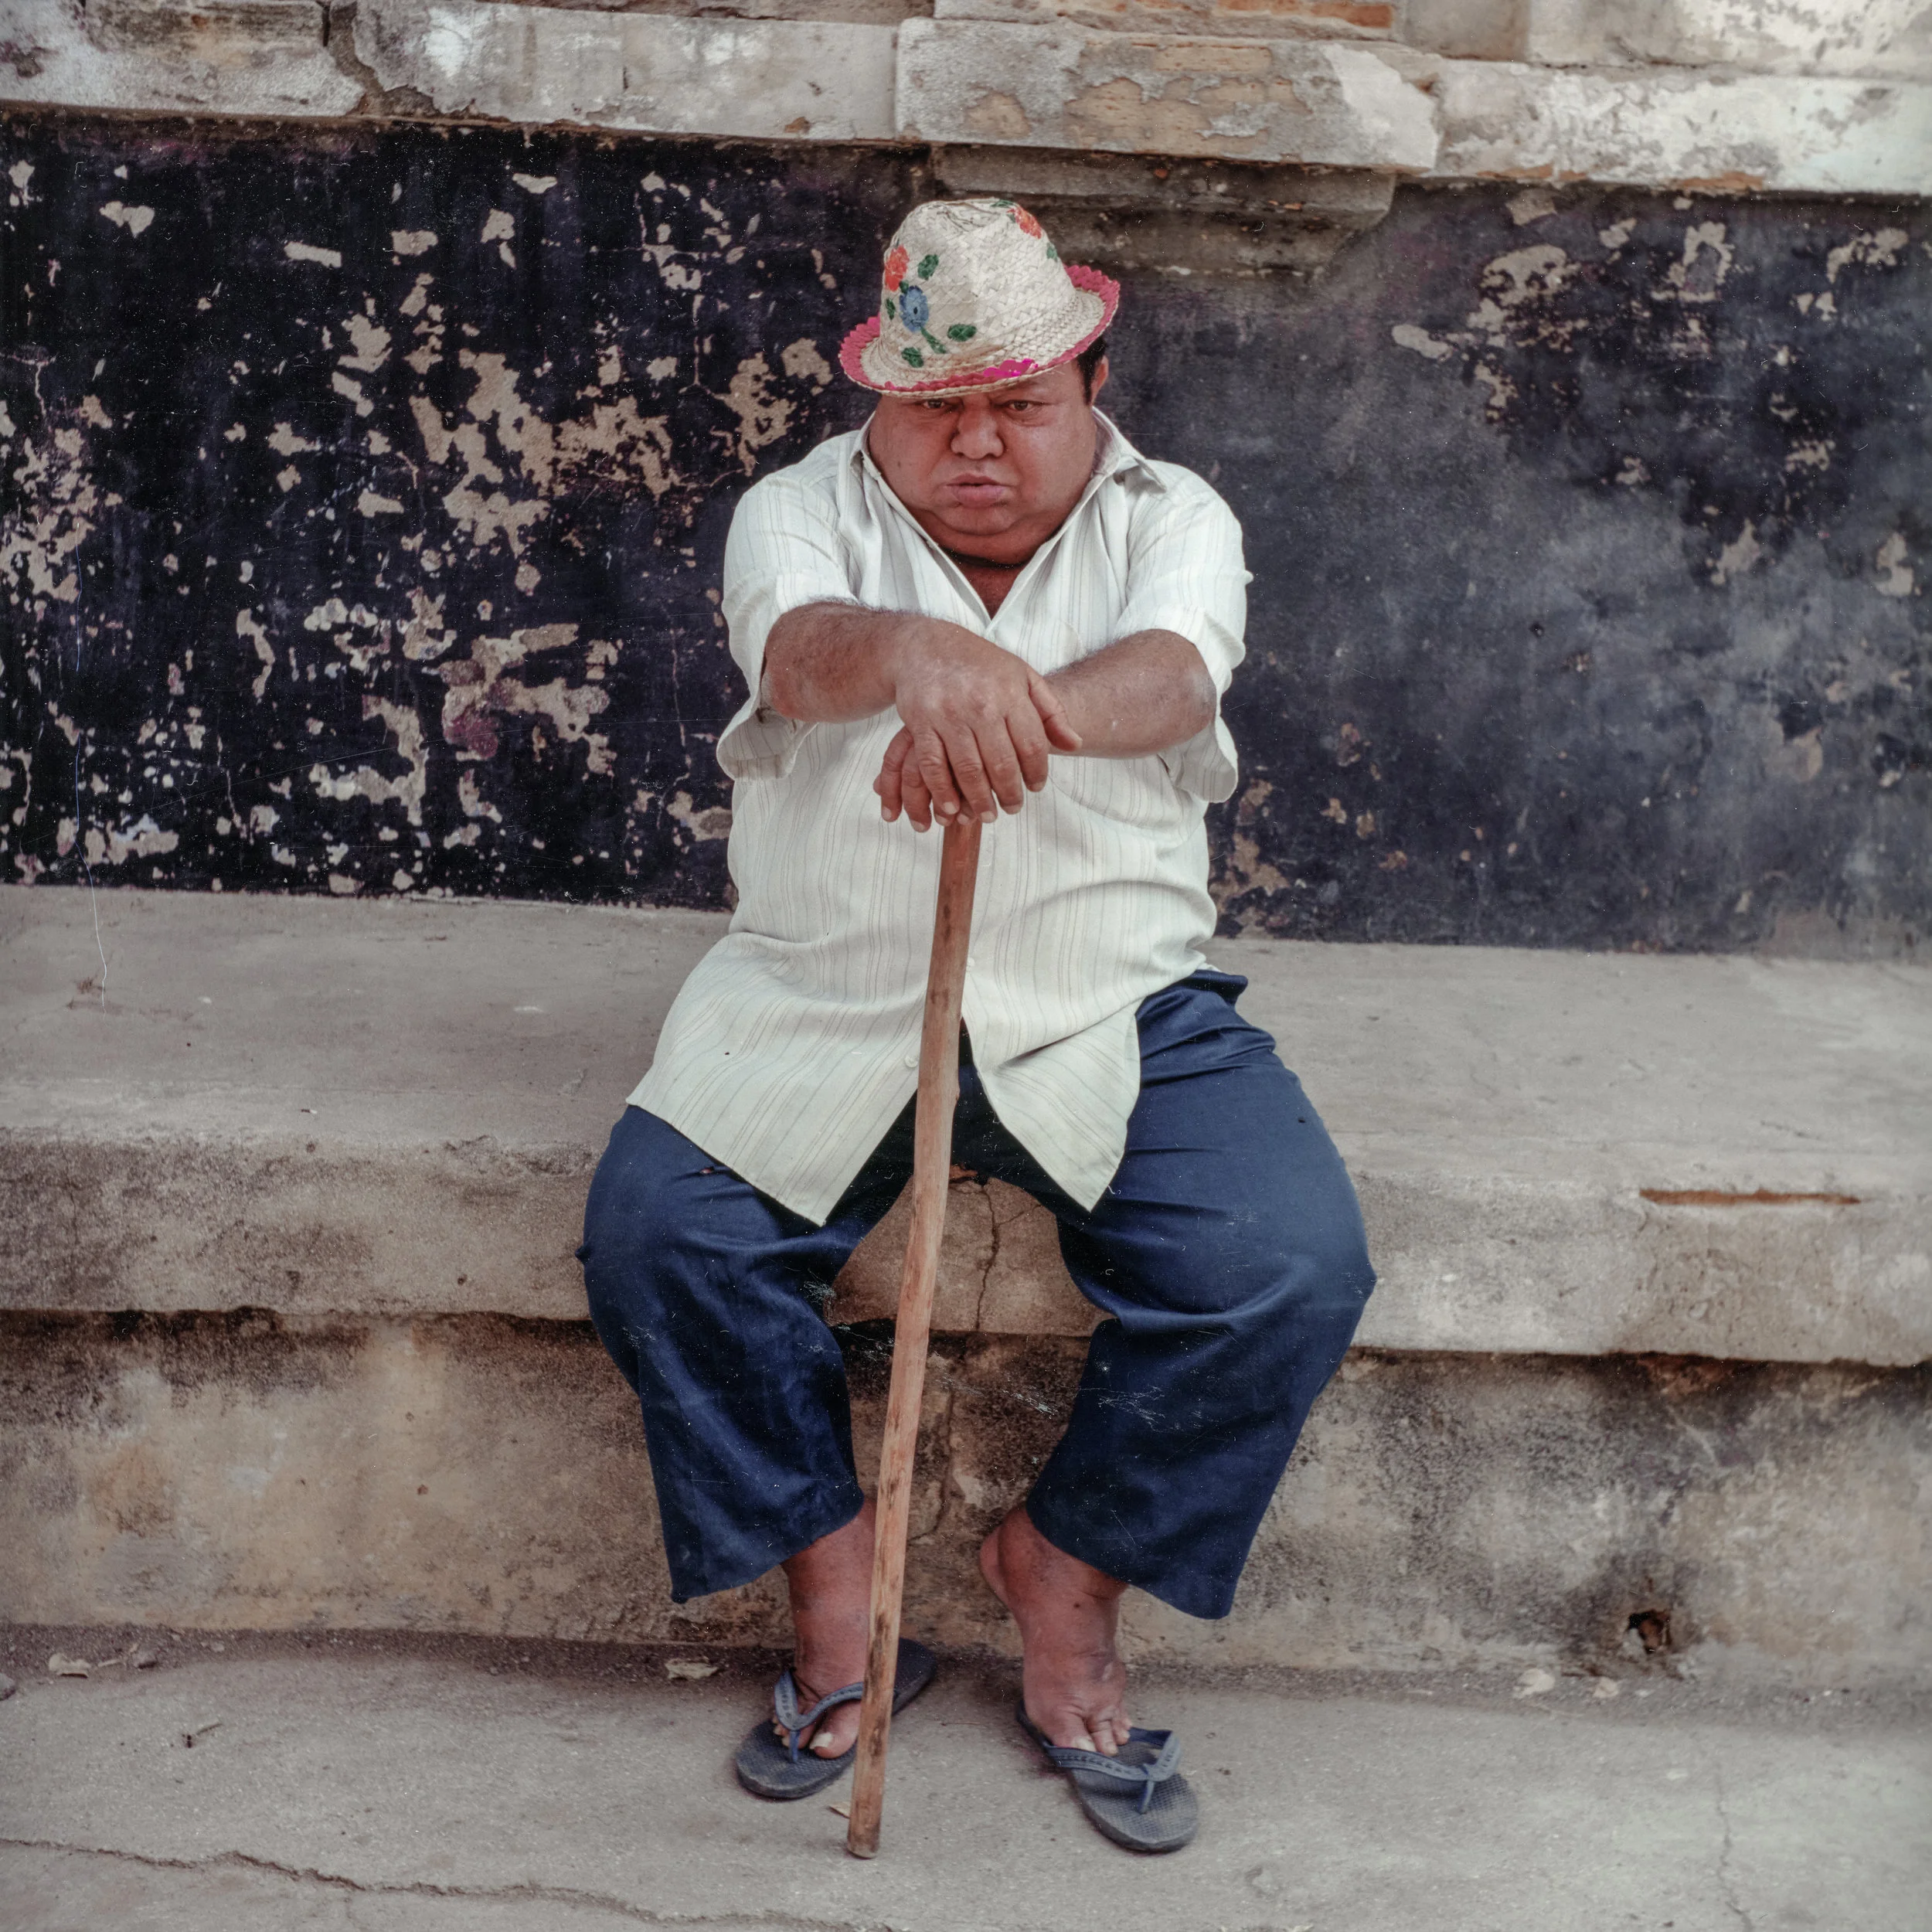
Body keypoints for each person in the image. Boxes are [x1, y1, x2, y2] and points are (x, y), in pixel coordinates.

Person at [579, 197, 1376, 1852]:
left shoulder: (1175, 514)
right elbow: (796, 655)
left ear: (1090, 378)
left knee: (1282, 1258)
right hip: (826, 985)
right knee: (660, 1234)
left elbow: (1170, 676)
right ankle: (841, 1589)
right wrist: (915, 652)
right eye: (935, 406)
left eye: (1018, 402)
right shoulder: (798, 509)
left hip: (1108, 992)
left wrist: (1003, 702)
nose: (977, 445)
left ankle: (1062, 1566)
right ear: (880, 399)